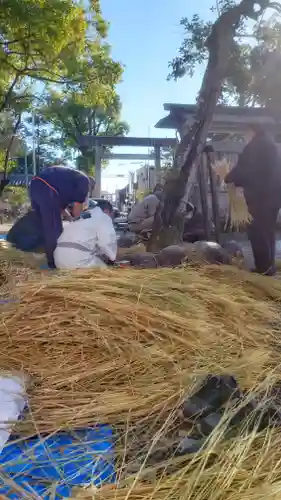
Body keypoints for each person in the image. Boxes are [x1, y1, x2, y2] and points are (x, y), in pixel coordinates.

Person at [224, 124, 281, 275]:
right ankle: (269, 266)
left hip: (260, 197)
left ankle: (263, 268)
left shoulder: (254, 146)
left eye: (246, 133)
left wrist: (229, 177)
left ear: (252, 132)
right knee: (268, 231)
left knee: (257, 232)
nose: (245, 136)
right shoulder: (272, 146)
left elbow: (244, 170)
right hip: (275, 197)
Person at [29, 165, 89, 269]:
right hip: (47, 187)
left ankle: (38, 254)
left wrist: (70, 218)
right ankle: (54, 264)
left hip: (35, 185)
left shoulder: (67, 185)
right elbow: (78, 207)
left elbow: (60, 209)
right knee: (54, 229)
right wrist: (78, 223)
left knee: (43, 225)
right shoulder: (84, 182)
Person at [54, 199, 117, 269]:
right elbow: (107, 243)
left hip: (58, 260)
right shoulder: (104, 217)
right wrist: (112, 258)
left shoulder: (83, 216)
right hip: (77, 261)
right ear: (107, 211)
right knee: (107, 271)